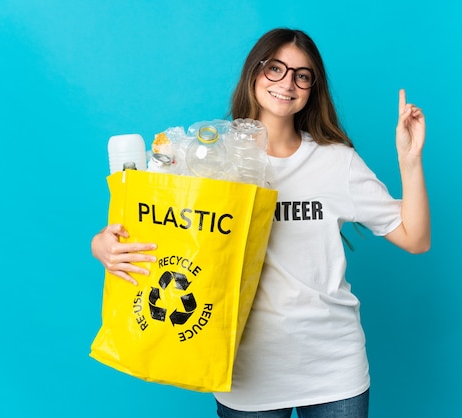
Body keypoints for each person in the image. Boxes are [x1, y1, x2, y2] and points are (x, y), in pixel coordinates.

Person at [91, 28, 430, 417]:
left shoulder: (335, 162)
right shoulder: (205, 158)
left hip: (333, 367)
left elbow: (415, 238)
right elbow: (150, 227)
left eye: (302, 75)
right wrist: (102, 243)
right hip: (244, 368)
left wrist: (409, 159)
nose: (287, 83)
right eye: (275, 69)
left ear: (311, 88)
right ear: (254, 73)